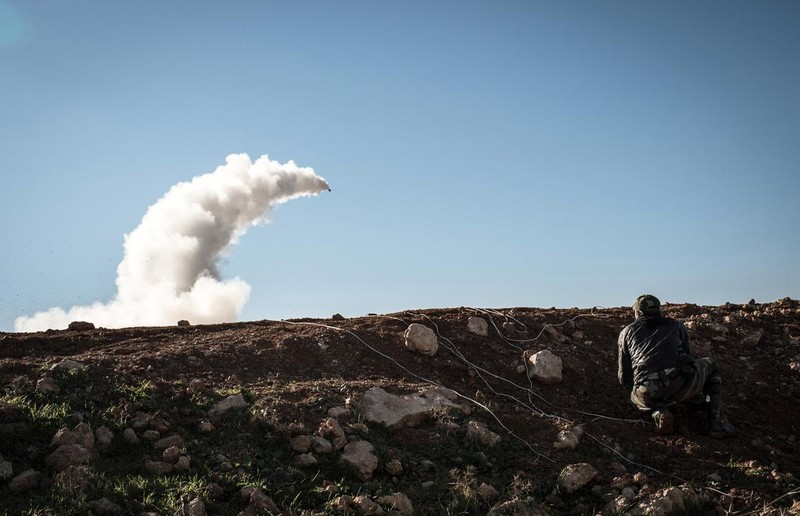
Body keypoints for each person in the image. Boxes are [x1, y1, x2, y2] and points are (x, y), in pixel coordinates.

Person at [617, 294, 736, 437]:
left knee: (639, 396)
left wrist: (636, 391)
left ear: (637, 313)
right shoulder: (676, 325)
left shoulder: (626, 332)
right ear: (659, 311)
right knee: (710, 364)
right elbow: (688, 357)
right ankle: (717, 421)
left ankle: (658, 411)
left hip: (649, 388)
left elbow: (624, 376)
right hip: (681, 380)